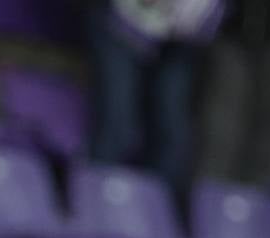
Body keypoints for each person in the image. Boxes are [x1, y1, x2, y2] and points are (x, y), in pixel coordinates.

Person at [87, 1, 218, 198]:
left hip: (183, 34)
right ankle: (92, 202)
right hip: (121, 20)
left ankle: (152, 215)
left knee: (172, 133)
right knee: (117, 126)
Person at [192, 0, 270, 190]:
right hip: (232, 32)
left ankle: (252, 210)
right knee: (221, 128)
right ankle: (209, 202)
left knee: (267, 132)